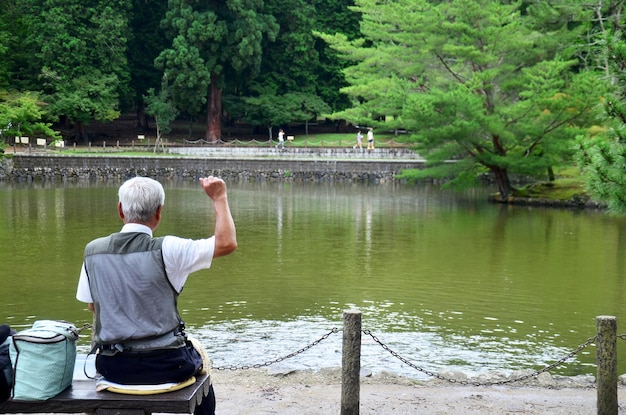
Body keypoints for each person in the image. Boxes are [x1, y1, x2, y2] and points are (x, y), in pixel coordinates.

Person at [76, 176, 237, 415]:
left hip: (114, 368)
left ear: (121, 210)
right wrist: (219, 198)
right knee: (204, 379)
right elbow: (226, 243)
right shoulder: (170, 249)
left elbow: (93, 306)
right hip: (168, 366)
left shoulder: (93, 251)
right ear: (159, 213)